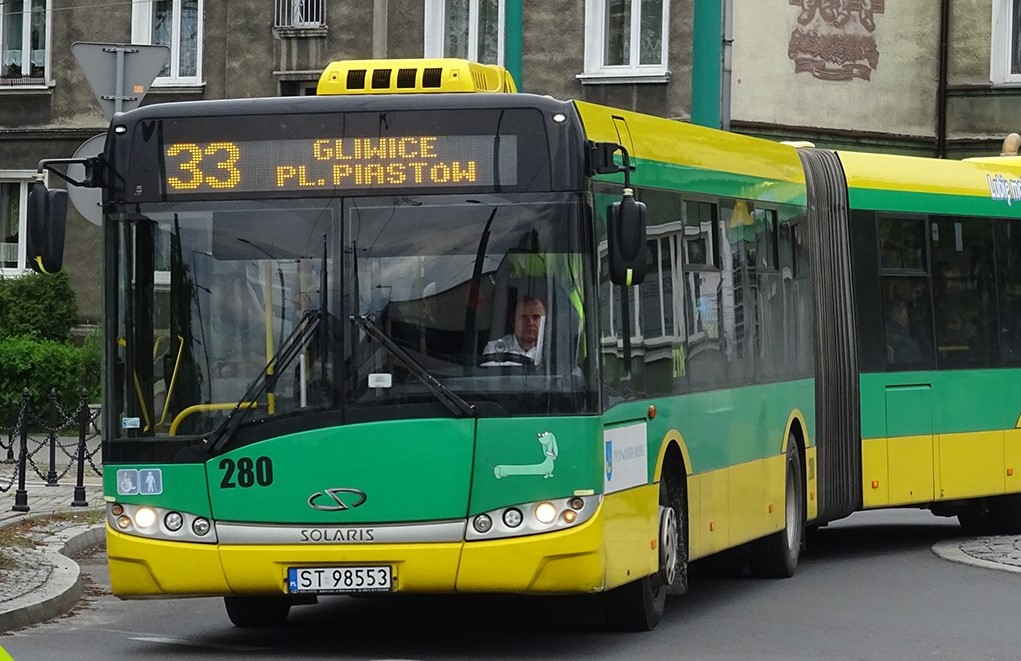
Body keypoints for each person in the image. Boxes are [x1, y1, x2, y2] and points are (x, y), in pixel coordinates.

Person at [481, 295, 546, 366]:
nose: (530, 323)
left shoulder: (553, 352)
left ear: (544, 322)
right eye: (523, 317)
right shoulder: (494, 349)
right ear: (513, 322)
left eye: (536, 317)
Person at [885, 299, 921, 365]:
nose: (907, 316)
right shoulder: (909, 343)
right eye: (905, 313)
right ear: (897, 315)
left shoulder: (887, 330)